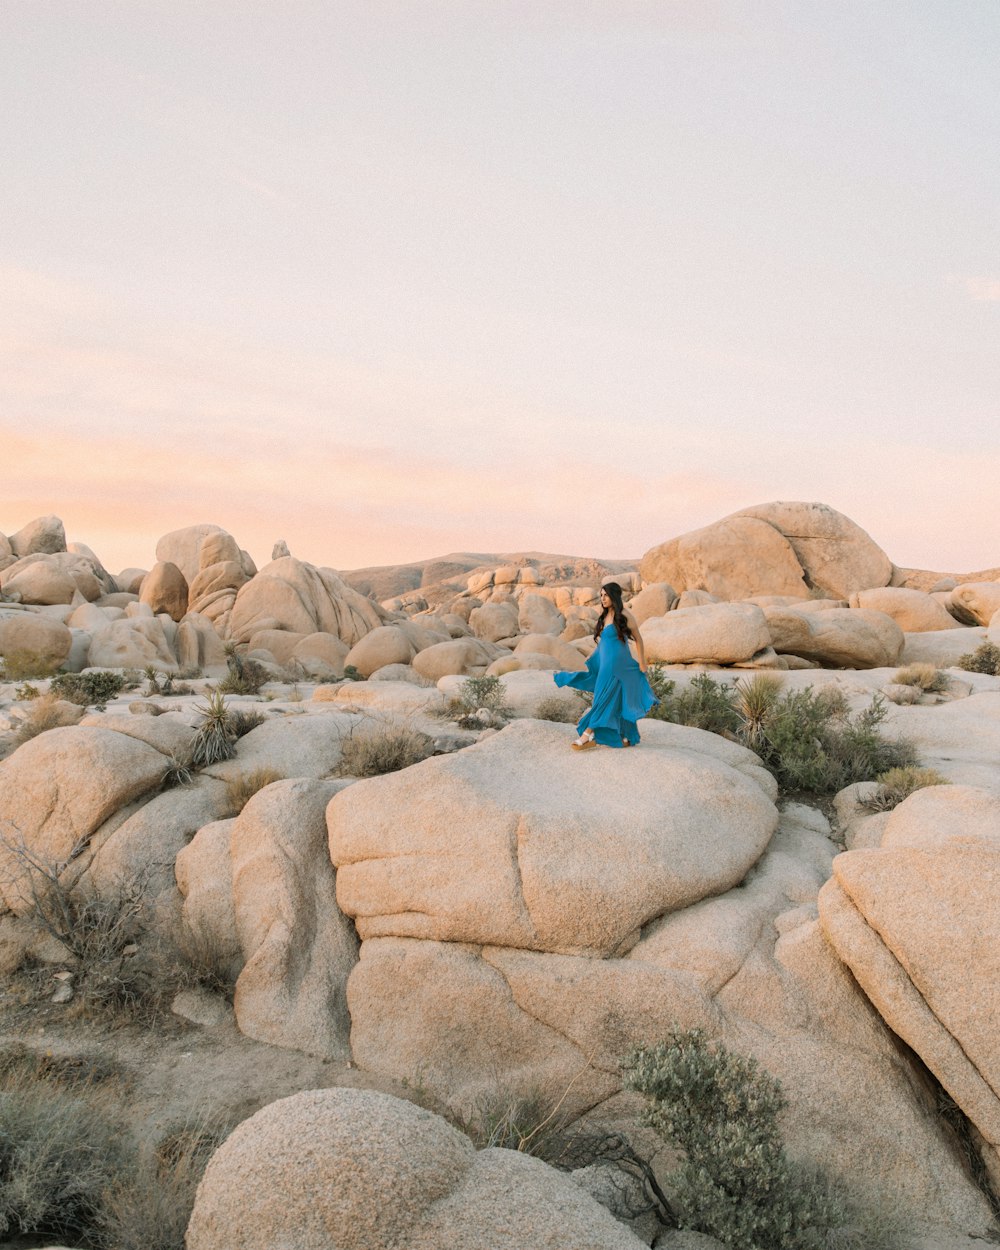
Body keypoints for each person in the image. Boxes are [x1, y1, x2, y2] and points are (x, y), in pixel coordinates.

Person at [553, 582, 657, 750]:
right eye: (601, 595)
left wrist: (642, 662)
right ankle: (626, 735)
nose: (602, 599)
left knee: (603, 699)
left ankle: (587, 733)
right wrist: (594, 655)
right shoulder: (606, 615)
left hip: (620, 665)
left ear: (614, 596)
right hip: (606, 664)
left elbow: (638, 639)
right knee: (611, 698)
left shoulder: (625, 615)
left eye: (605, 595)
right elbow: (605, 642)